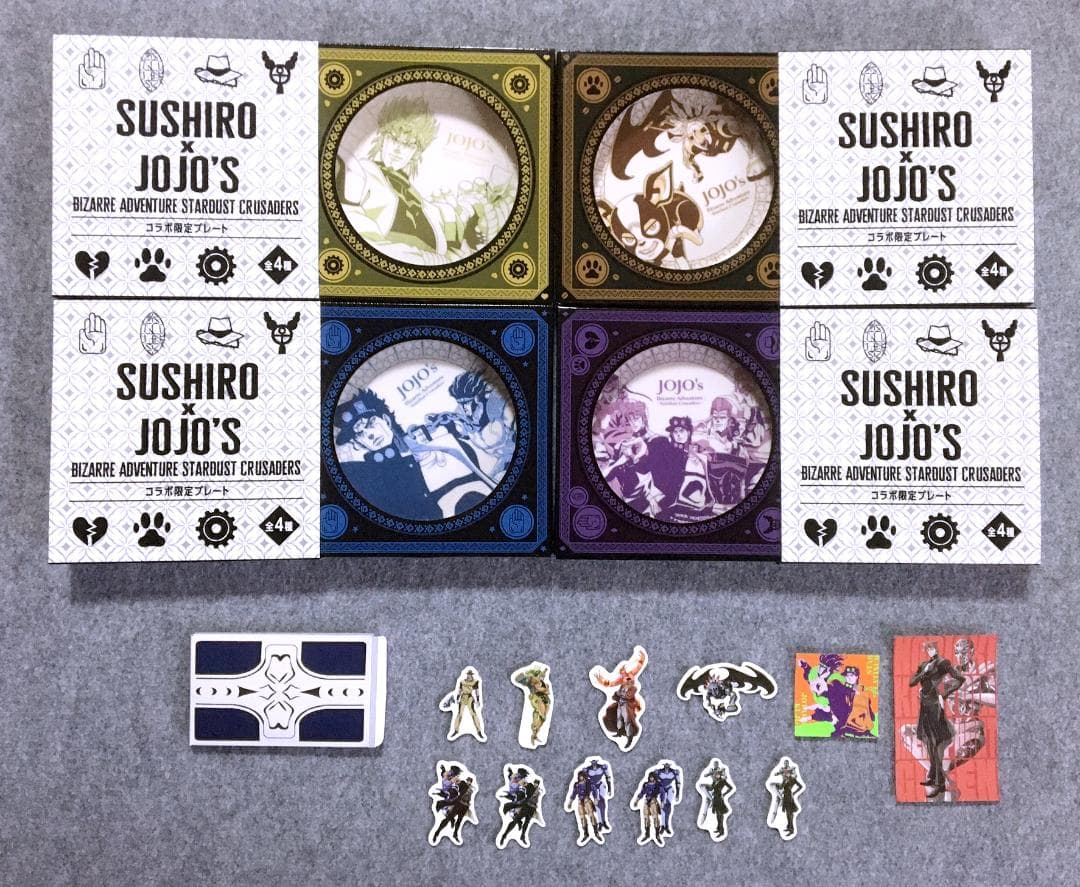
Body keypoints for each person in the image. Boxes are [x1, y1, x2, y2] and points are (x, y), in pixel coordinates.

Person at [336, 96, 513, 265]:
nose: (398, 150)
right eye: (394, 139)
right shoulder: (364, 173)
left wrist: (477, 208)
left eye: (408, 145)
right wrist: (438, 261)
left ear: (416, 152)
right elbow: (366, 240)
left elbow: (444, 216)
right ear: (382, 139)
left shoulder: (414, 196)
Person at [334, 388, 443, 521]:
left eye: (370, 423)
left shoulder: (422, 445)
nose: (369, 434)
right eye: (360, 433)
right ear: (358, 443)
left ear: (386, 420)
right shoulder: (364, 476)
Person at [909, 640, 964, 798]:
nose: (930, 651)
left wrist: (944, 694)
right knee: (928, 741)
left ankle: (940, 784)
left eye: (932, 648)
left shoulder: (942, 663)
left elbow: (960, 678)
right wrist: (924, 672)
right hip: (924, 706)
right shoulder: (924, 665)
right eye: (928, 649)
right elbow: (912, 682)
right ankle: (933, 776)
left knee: (935, 743)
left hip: (935, 706)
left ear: (937, 648)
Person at [591, 647, 648, 750]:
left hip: (628, 703)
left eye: (623, 671)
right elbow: (609, 683)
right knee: (618, 718)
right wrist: (601, 680)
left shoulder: (631, 675)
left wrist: (641, 660)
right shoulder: (621, 679)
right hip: (621, 703)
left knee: (627, 719)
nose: (623, 674)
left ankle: (629, 737)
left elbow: (638, 667)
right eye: (621, 672)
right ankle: (620, 732)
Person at [512, 663, 552, 748]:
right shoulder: (533, 683)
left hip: (545, 699)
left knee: (543, 718)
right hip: (538, 699)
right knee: (541, 715)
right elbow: (517, 678)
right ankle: (533, 733)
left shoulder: (540, 680)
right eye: (534, 677)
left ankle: (535, 735)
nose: (537, 678)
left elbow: (545, 685)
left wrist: (544, 672)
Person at [767, 759, 803, 838]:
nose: (786, 774)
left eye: (788, 773)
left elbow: (800, 786)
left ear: (790, 773)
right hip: (786, 796)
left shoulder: (792, 779)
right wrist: (782, 783)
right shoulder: (785, 780)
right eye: (785, 773)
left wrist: (794, 793)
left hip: (789, 797)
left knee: (790, 813)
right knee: (788, 813)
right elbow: (781, 787)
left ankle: (791, 829)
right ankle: (789, 827)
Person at [565, 771, 602, 845]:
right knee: (582, 818)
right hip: (580, 801)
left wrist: (595, 799)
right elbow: (574, 793)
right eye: (579, 776)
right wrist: (570, 802)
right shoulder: (577, 784)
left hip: (587, 800)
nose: (580, 777)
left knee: (591, 815)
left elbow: (594, 790)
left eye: (581, 776)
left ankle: (596, 832)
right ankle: (585, 833)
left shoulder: (588, 782)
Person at [634, 773, 664, 846]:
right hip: (646, 801)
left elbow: (662, 793)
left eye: (652, 777)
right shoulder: (646, 784)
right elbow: (642, 792)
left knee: (655, 818)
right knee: (646, 818)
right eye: (650, 777)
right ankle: (647, 834)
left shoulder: (657, 785)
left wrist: (662, 802)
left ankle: (657, 835)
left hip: (653, 801)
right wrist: (637, 800)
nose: (651, 778)